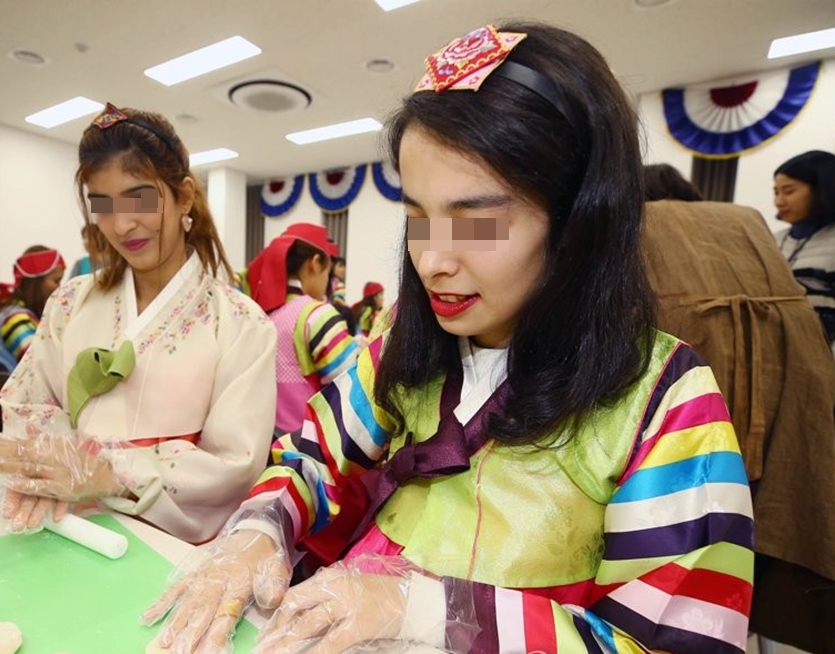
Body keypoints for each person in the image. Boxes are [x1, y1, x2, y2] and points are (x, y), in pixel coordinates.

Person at [141, 22, 754, 654]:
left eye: (476, 223)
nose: (432, 261)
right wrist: (261, 529)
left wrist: (432, 609)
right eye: (416, 218)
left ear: (578, 220)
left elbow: (675, 641)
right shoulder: (404, 347)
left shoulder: (666, 400)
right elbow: (312, 458)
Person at [0, 103, 277, 543]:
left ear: (184, 196)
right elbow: (27, 402)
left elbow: (235, 462)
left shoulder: (241, 323)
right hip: (68, 526)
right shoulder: (70, 302)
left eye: (139, 199)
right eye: (103, 205)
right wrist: (56, 465)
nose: (121, 224)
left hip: (170, 545)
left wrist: (111, 472)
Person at [640, 167, 835, 653]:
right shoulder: (746, 221)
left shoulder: (639, 221)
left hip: (692, 377)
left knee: (681, 527)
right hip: (791, 381)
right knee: (775, 513)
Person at [246, 222, 360, 435]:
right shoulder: (317, 314)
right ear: (315, 264)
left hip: (267, 440)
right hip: (309, 444)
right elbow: (351, 383)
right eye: (328, 272)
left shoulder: (262, 313)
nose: (327, 280)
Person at [773, 150, 835, 344]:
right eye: (776, 192)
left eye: (789, 191)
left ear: (821, 190)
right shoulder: (771, 240)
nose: (779, 201)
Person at [0, 246, 66, 364]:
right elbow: (39, 363)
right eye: (56, 281)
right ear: (36, 283)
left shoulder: (28, 314)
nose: (60, 287)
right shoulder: (15, 319)